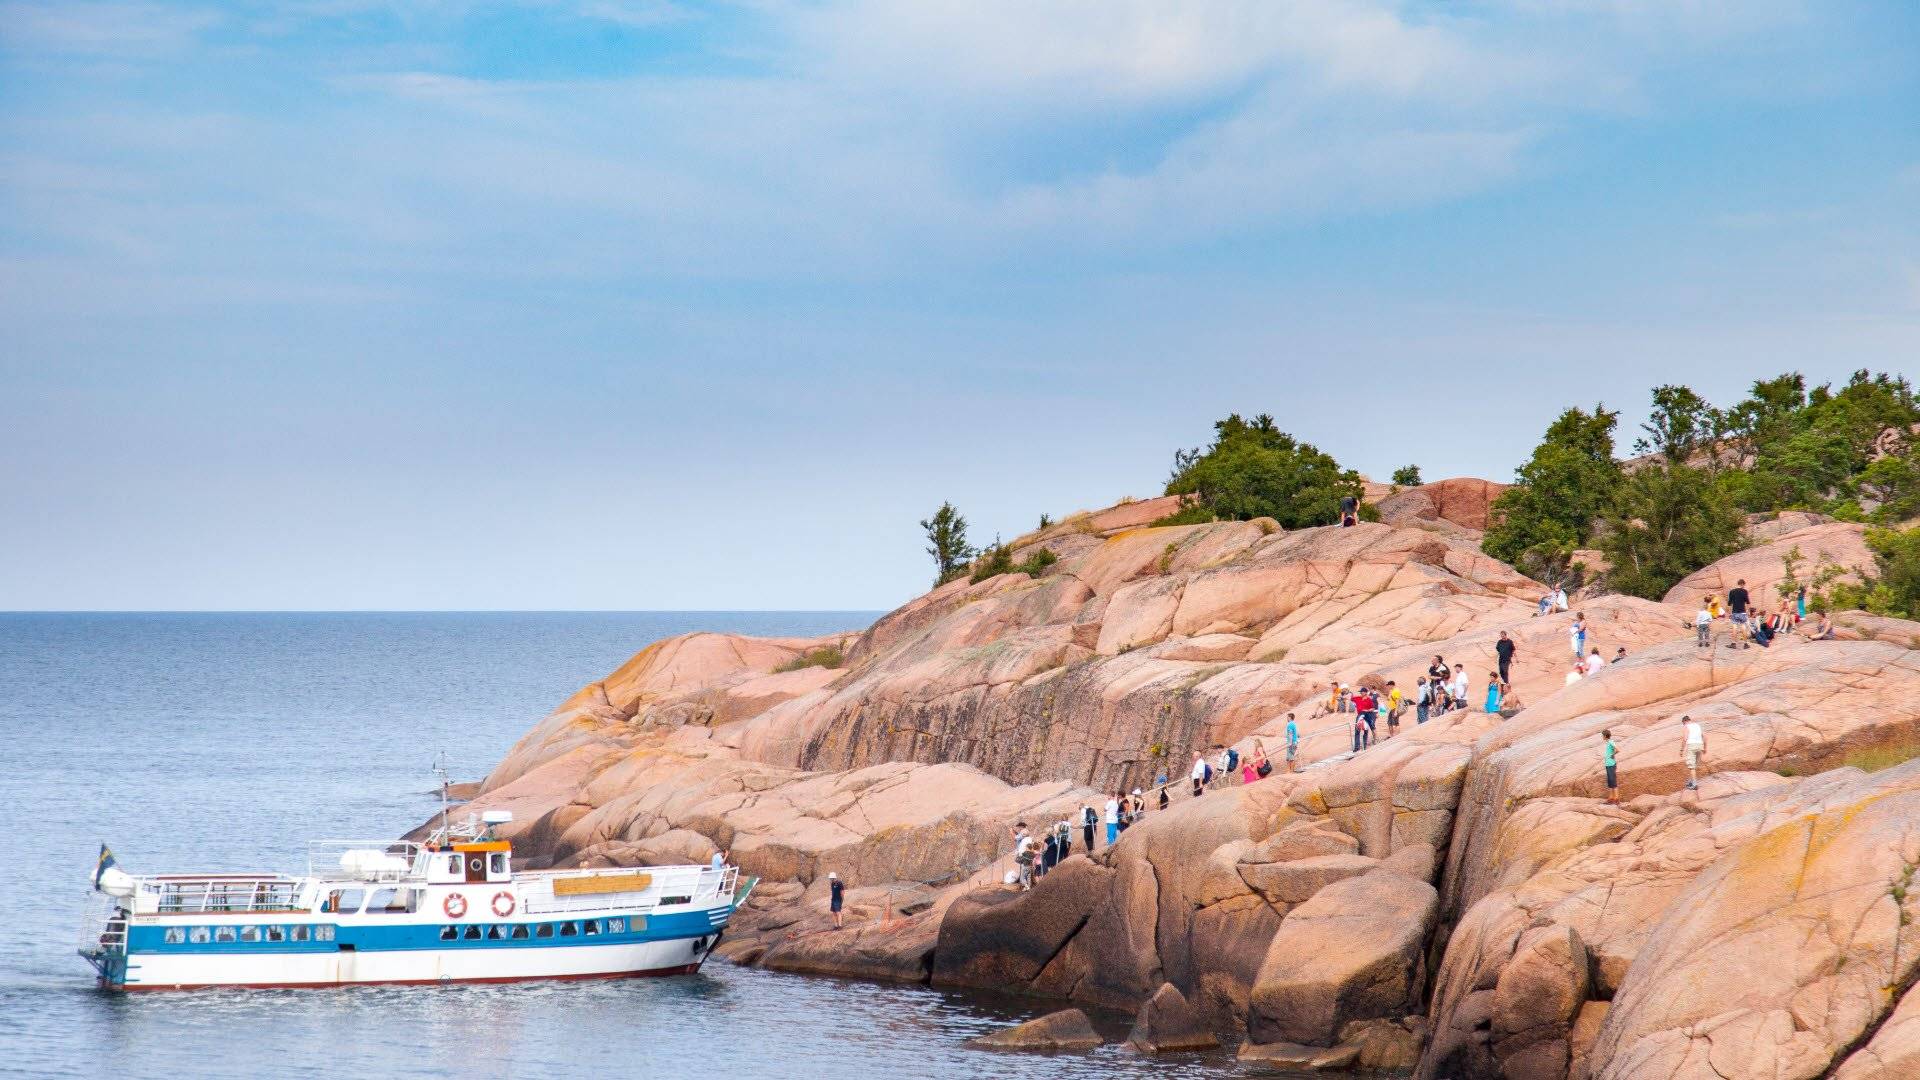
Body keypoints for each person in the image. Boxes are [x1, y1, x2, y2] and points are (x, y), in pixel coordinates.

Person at [1681, 715, 1707, 790]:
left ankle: (1694, 784)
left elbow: (1685, 739)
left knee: (1691, 766)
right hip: (1699, 745)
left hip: (1691, 746)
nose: (1683, 725)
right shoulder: (1697, 725)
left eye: (1683, 723)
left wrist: (1681, 750)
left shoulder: (1686, 726)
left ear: (1684, 721)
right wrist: (1705, 748)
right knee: (1694, 765)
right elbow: (1705, 737)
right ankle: (1690, 781)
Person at [1728, 579, 1751, 648]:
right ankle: (1745, 644)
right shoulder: (1745, 591)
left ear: (1738, 584)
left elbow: (1729, 603)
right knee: (1743, 627)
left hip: (1734, 612)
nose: (1744, 586)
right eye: (1744, 585)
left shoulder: (1732, 591)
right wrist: (1748, 611)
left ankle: (1733, 643)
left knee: (1734, 627)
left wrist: (1730, 613)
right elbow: (1748, 602)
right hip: (1742, 612)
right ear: (1742, 584)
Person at [1601, 729, 1619, 804]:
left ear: (1605, 736)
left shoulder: (1611, 742)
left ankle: (1616, 799)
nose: (1602, 737)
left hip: (1611, 764)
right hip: (1608, 764)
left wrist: (1612, 755)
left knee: (1613, 781)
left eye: (1602, 735)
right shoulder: (1608, 742)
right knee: (1610, 782)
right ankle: (1611, 798)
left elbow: (1617, 750)